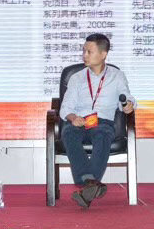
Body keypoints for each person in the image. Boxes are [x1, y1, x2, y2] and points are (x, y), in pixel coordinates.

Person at [58, 33, 136, 208]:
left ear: (103, 54)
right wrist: (73, 118)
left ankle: (88, 184)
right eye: (83, 51)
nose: (84, 55)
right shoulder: (76, 78)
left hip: (102, 122)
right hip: (80, 121)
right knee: (68, 132)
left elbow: (126, 98)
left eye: (89, 51)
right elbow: (66, 107)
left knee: (103, 133)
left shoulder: (117, 76)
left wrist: (128, 105)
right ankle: (92, 184)